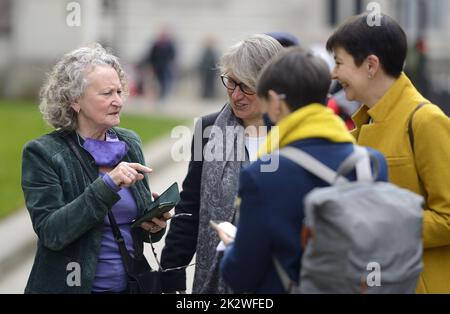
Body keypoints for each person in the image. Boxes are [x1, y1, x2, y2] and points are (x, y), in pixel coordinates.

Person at [215, 47, 387, 293]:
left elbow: (241, 275)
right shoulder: (371, 164)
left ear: (275, 102)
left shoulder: (262, 174)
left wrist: (232, 247)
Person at [21, 44, 170, 293]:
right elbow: (52, 233)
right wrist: (107, 185)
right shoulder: (43, 153)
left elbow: (135, 233)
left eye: (119, 91)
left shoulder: (129, 142)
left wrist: (154, 226)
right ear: (75, 101)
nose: (118, 101)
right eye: (106, 93)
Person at [326, 13, 450, 293]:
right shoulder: (362, 125)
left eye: (339, 63)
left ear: (371, 65)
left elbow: (447, 218)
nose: (333, 74)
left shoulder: (426, 120)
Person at [160, 34, 283, 294]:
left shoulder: (295, 134)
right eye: (231, 83)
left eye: (246, 86)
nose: (236, 95)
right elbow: (191, 207)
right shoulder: (207, 129)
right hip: (217, 281)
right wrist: (170, 274)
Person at [143, 29, 177, 99]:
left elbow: (172, 55)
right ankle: (156, 95)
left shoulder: (168, 45)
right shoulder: (156, 45)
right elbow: (151, 56)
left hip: (165, 67)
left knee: (164, 81)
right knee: (155, 81)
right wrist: (151, 65)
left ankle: (163, 95)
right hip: (156, 66)